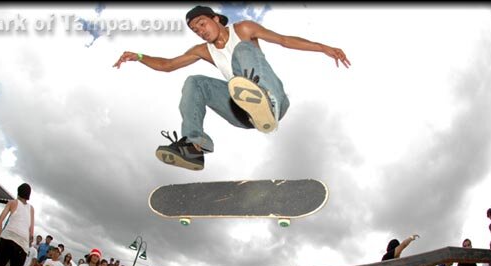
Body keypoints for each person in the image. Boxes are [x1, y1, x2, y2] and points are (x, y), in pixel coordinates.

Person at [113, 5, 350, 171]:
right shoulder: (203, 50)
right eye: (196, 30)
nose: (201, 31)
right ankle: (194, 147)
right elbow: (168, 65)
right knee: (195, 82)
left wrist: (323, 48)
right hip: (242, 113)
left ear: (216, 18)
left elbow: (284, 40)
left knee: (243, 50)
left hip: (275, 99)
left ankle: (264, 101)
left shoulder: (244, 29)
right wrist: (140, 56)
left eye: (202, 24)